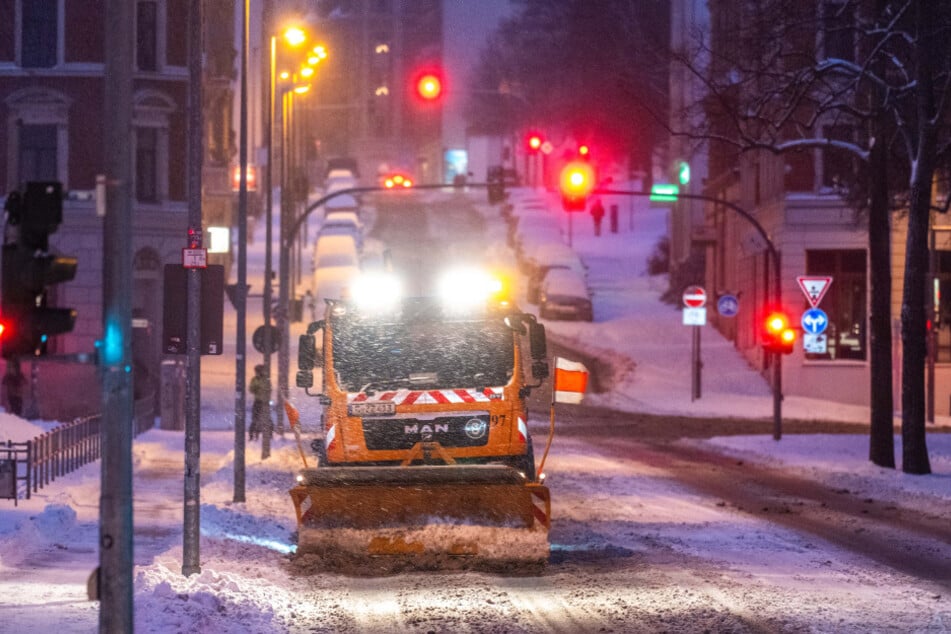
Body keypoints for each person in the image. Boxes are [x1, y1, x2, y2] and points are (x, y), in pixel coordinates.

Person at [248, 364, 271, 441]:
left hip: (265, 402)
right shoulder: (254, 379)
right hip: (258, 401)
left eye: (259, 370)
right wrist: (256, 389)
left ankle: (269, 436)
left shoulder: (266, 379)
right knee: (255, 419)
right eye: (257, 371)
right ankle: (252, 437)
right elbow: (251, 389)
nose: (258, 372)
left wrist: (263, 391)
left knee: (267, 419)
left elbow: (269, 389)